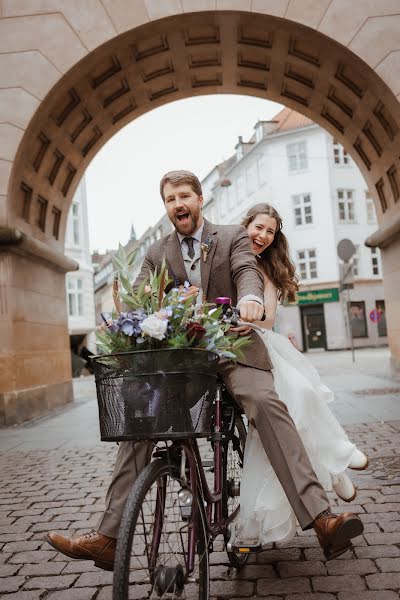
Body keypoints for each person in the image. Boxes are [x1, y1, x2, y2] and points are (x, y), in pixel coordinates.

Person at [45, 170, 363, 570]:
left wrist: (249, 299)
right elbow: (140, 294)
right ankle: (108, 538)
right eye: (170, 199)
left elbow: (247, 272)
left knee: (265, 402)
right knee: (140, 419)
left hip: (234, 347)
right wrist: (134, 305)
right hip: (182, 357)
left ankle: (322, 519)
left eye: (184, 196)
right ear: (166, 208)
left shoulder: (232, 237)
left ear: (199, 199)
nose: (178, 204)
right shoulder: (158, 252)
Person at [229, 203, 368, 546]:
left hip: (260, 340)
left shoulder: (265, 270)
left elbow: (268, 318)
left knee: (301, 393)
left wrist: (245, 320)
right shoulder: (225, 259)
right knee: (287, 407)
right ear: (244, 226)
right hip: (231, 349)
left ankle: (339, 459)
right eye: (258, 227)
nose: (261, 235)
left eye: (269, 232)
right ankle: (336, 471)